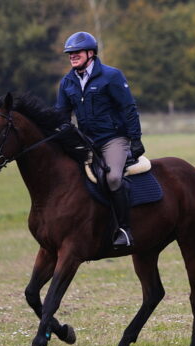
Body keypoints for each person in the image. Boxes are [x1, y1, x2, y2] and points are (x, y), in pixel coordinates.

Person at [56, 31, 145, 247]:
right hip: (86, 141)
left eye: (76, 52)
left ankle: (124, 229)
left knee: (113, 178)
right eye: (70, 54)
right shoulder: (67, 82)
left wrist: (135, 138)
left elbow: (128, 108)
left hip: (113, 139)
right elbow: (61, 115)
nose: (72, 56)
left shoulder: (111, 76)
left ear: (90, 53)